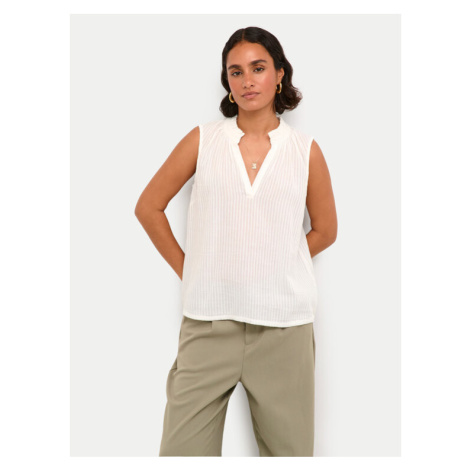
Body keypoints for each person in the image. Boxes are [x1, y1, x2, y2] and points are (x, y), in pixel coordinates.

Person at [135, 26, 337, 457]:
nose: (247, 80)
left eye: (258, 68)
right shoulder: (203, 140)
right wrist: (191, 270)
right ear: (227, 81)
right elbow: (148, 207)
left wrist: (276, 262)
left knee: (289, 457)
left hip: (284, 329)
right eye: (236, 71)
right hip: (208, 325)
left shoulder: (305, 151)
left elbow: (326, 230)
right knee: (181, 453)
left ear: (279, 75)